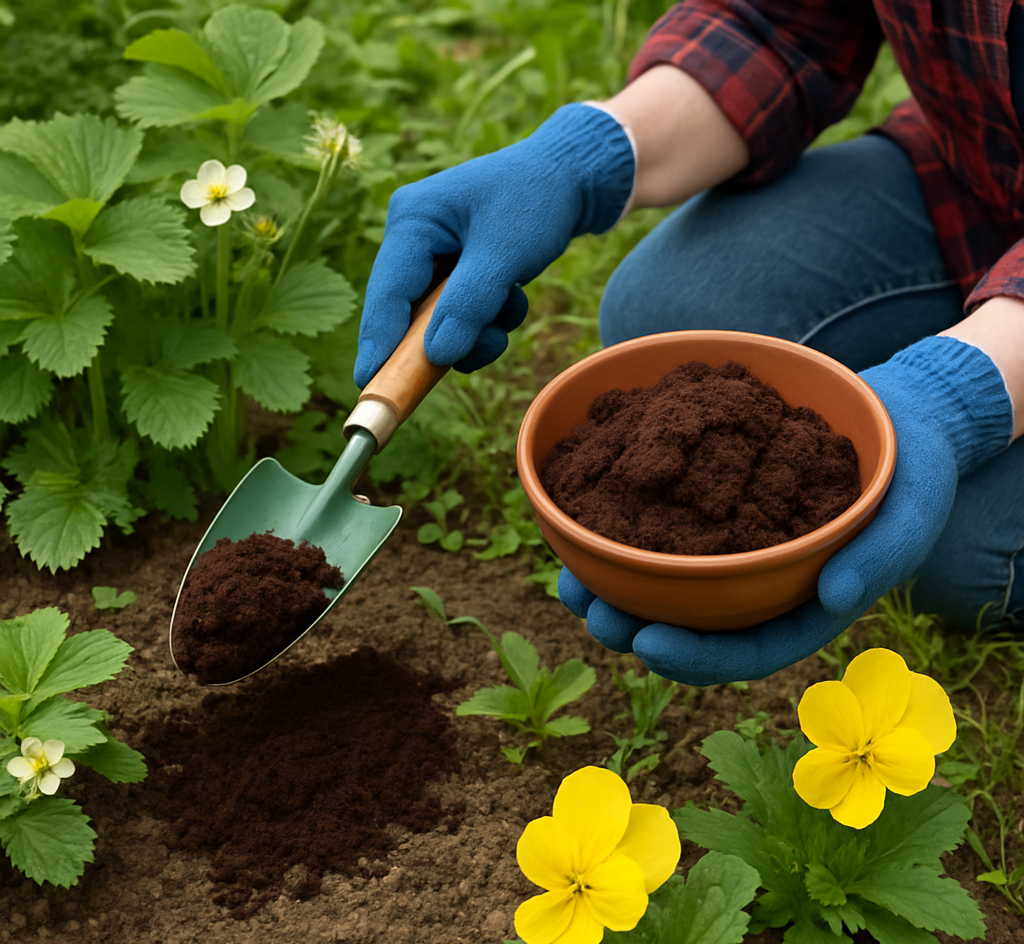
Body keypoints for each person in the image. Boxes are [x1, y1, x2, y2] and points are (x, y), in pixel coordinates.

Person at [354, 0, 1024, 686]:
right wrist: (581, 158)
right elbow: (778, 25)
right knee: (666, 312)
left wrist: (955, 393)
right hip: (975, 178)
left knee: (954, 555)